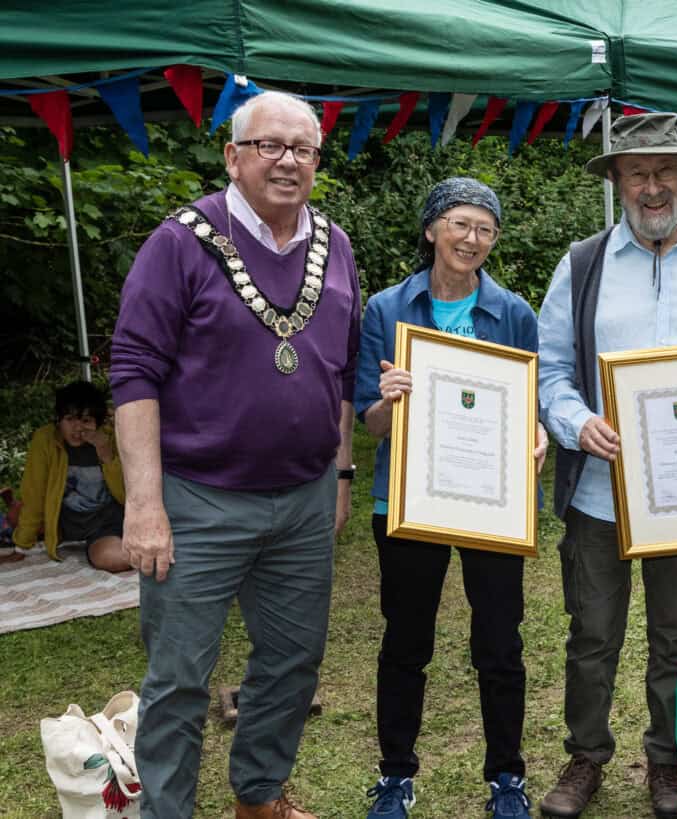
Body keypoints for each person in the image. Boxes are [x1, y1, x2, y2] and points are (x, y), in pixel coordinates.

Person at [110, 90, 361, 819]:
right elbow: (133, 372)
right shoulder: (180, 242)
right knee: (180, 676)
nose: (287, 161)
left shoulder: (334, 243)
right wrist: (145, 503)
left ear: (317, 160)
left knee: (290, 662)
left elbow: (339, 372)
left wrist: (341, 471)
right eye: (269, 146)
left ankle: (258, 797)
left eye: (302, 149)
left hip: (305, 494)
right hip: (198, 498)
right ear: (233, 156)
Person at [537, 112, 677, 819]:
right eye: (638, 171)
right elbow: (552, 374)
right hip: (601, 492)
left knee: (676, 630)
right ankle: (586, 757)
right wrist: (579, 423)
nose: (654, 185)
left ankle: (666, 761)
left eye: (666, 169)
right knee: (592, 630)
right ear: (617, 181)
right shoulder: (581, 264)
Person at [355, 177, 547, 819]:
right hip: (407, 501)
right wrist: (390, 400)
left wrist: (539, 432)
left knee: (500, 644)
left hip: (491, 501)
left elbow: (530, 406)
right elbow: (370, 421)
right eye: (461, 224)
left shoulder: (515, 313)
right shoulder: (386, 310)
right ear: (432, 229)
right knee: (406, 643)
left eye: (485, 228)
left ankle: (507, 780)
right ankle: (394, 778)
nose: (473, 238)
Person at [10, 380, 131, 572]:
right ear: (58, 420)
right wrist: (21, 545)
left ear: (98, 423)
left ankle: (145, 550)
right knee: (16, 514)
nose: (77, 428)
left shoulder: (111, 438)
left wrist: (106, 454)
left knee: (112, 559)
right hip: (62, 522)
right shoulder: (46, 440)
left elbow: (128, 495)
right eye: (70, 419)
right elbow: (35, 493)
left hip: (105, 524)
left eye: (86, 421)